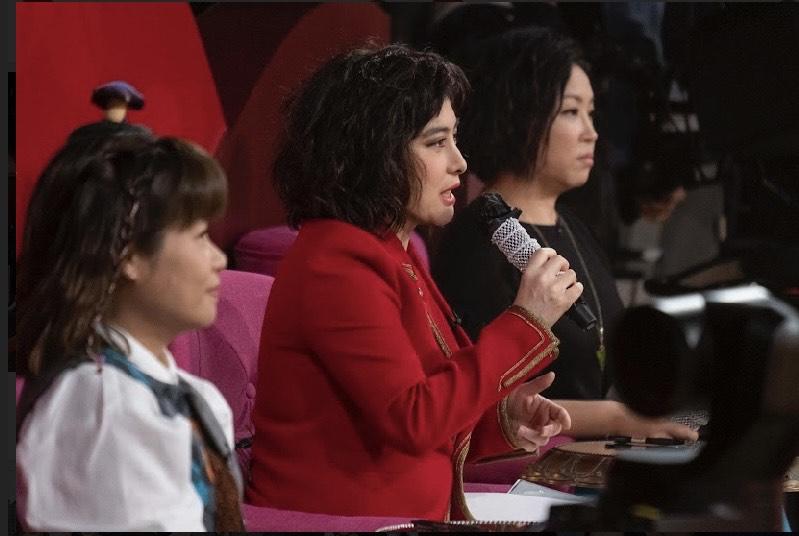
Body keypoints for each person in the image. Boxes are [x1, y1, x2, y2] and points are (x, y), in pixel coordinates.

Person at [247, 44, 580, 521]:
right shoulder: (336, 262)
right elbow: (413, 419)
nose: (460, 162)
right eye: (436, 142)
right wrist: (526, 320)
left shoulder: (391, 249)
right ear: (375, 152)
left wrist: (504, 419)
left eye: (455, 139)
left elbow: (428, 413)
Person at [432, 27, 699, 440]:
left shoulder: (575, 228)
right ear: (520, 115)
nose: (592, 132)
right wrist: (617, 418)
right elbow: (482, 399)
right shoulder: (479, 240)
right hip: (524, 464)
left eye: (592, 113)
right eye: (572, 112)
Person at [15, 127, 243, 531]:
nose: (219, 259)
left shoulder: (188, 395)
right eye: (200, 236)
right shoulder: (105, 407)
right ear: (130, 255)